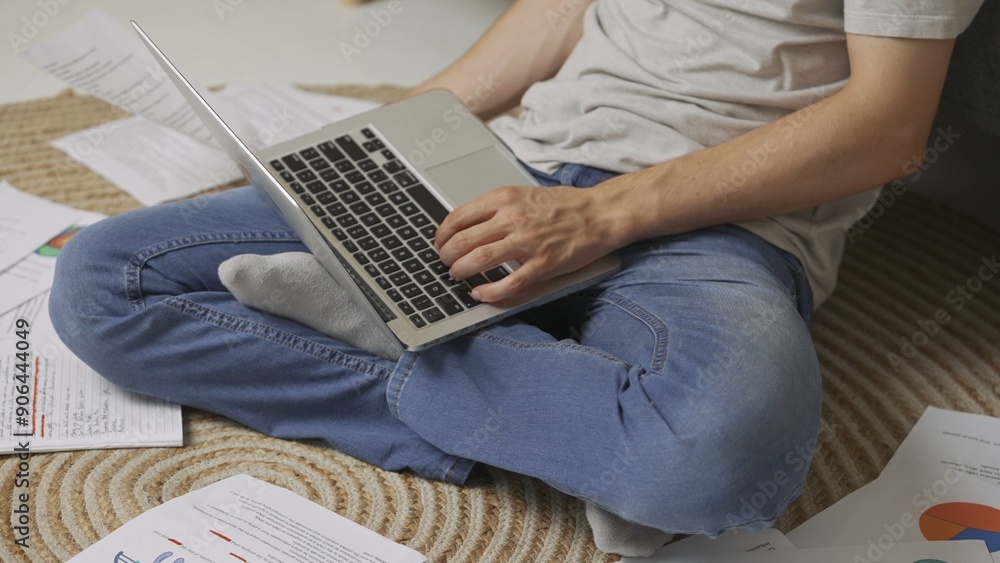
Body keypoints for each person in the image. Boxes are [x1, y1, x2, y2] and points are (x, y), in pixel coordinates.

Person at [49, 0, 982, 556]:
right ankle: (563, 421)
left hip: (720, 223)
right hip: (504, 166)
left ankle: (403, 333)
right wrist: (398, 124)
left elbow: (887, 127)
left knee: (720, 464)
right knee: (102, 281)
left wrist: (603, 214)